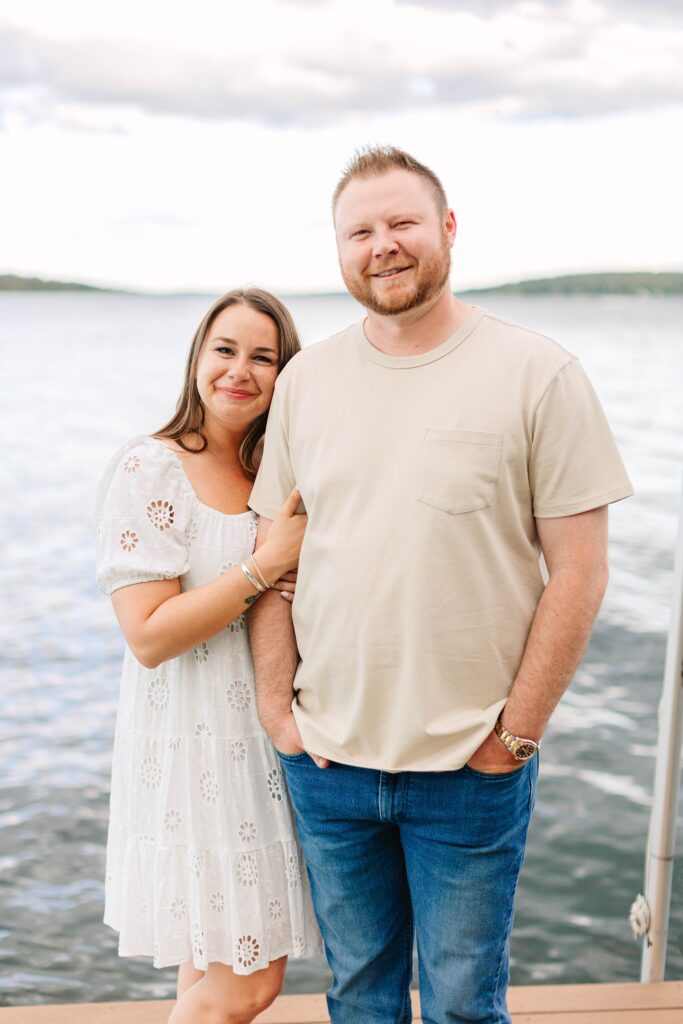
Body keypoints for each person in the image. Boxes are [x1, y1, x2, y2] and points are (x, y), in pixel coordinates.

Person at [247, 148, 634, 1024]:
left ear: (447, 230)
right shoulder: (306, 382)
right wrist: (280, 710)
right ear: (339, 251)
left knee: (462, 1003)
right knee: (359, 998)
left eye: (402, 223)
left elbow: (579, 568)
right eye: (360, 231)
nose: (382, 246)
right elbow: (275, 565)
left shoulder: (538, 373)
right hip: (329, 759)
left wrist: (516, 734)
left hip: (469, 763)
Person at [94, 288, 321, 1024]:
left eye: (264, 356)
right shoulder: (151, 469)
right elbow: (150, 635)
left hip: (261, 743)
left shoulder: (274, 473)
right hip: (193, 747)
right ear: (197, 358)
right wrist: (261, 567)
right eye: (225, 349)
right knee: (248, 981)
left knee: (211, 962)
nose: (240, 371)